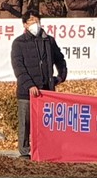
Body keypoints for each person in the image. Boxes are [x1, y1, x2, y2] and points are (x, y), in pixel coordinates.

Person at [11, 10, 67, 158]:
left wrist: (60, 77)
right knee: (26, 124)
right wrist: (29, 85)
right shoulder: (19, 43)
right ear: (24, 25)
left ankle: (45, 150)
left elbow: (60, 60)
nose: (35, 24)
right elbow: (18, 68)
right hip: (27, 92)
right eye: (31, 21)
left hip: (47, 91)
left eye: (37, 20)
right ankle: (24, 152)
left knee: (47, 124)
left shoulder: (49, 41)